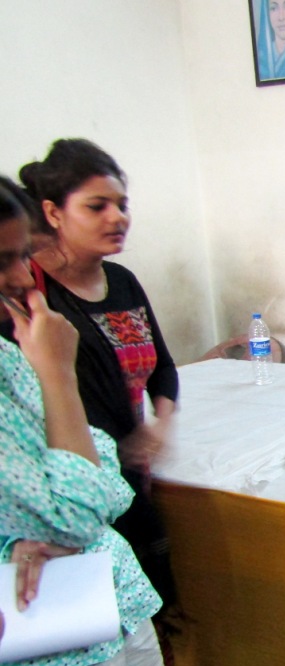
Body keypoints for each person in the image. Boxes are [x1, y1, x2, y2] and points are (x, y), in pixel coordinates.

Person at [0, 177, 179, 666]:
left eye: (23, 255)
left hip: (107, 596)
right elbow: (80, 513)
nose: (24, 278)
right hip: (38, 635)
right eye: (4, 261)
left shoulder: (13, 350)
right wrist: (57, 377)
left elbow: (103, 477)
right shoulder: (43, 343)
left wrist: (77, 492)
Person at [19, 139, 179, 617]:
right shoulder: (33, 300)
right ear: (53, 212)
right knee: (96, 616)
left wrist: (161, 424)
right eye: (97, 206)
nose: (117, 217)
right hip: (74, 491)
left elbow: (164, 369)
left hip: (131, 478)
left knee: (150, 607)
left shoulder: (123, 282)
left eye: (122, 205)